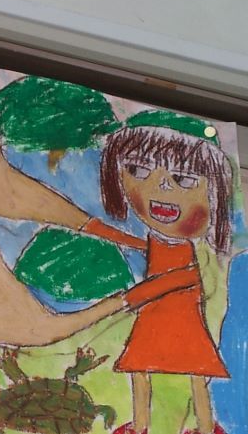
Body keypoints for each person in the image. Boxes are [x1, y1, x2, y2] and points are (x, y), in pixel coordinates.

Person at [80, 117, 232, 434]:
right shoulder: (155, 241)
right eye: (138, 170)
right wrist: (95, 229)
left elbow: (188, 277)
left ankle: (205, 427)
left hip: (183, 314)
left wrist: (138, 295)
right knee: (139, 369)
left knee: (196, 372)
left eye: (184, 178)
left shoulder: (200, 252)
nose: (161, 186)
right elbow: (141, 247)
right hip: (153, 315)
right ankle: (140, 426)